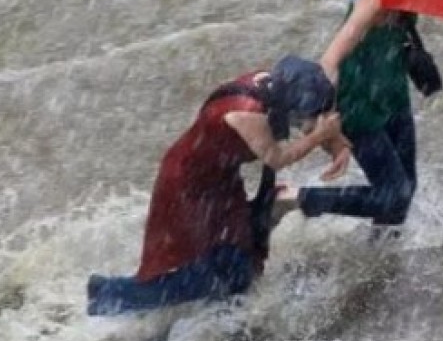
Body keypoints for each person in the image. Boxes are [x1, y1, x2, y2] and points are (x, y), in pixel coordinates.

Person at [86, 55, 348, 315]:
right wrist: (319, 137)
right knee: (201, 268)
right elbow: (277, 158)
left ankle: (224, 312)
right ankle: (109, 294)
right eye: (303, 113)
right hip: (188, 186)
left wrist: (334, 142)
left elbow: (312, 121)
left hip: (219, 176)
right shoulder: (246, 113)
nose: (306, 120)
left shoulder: (272, 84)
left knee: (238, 252)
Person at [284, 0, 440, 231]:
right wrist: (331, 136)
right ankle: (294, 198)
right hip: (357, 108)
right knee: (393, 196)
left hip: (394, 97)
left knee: (405, 191)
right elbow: (328, 64)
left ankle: (383, 260)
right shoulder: (372, 0)